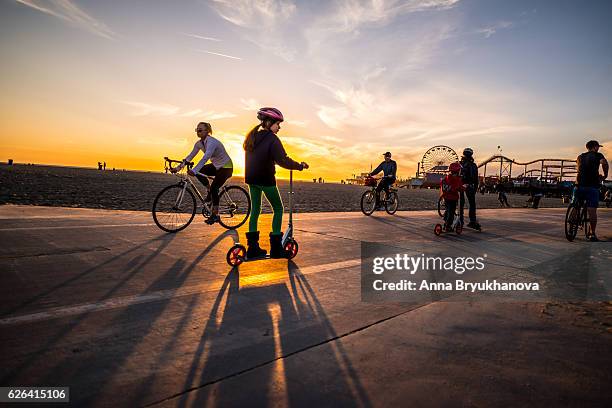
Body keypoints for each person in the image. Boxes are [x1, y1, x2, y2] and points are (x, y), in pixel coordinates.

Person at [244, 107, 309, 259]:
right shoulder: (272, 139)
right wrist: (299, 166)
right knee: (278, 208)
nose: (279, 127)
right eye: (277, 124)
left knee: (255, 210)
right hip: (265, 179)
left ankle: (252, 248)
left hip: (251, 179)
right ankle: (275, 248)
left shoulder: (252, 136)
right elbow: (283, 160)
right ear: (268, 122)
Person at [173, 121, 233, 225]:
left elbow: (206, 157)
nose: (198, 132)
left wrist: (194, 170)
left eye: (200, 130)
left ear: (207, 131)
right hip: (216, 166)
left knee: (215, 188)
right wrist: (177, 168)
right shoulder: (199, 143)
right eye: (197, 130)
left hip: (226, 167)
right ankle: (209, 191)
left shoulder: (212, 142)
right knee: (200, 173)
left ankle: (215, 215)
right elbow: (189, 157)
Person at [574, 140, 608, 241]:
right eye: (598, 147)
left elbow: (579, 169)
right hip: (592, 186)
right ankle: (592, 234)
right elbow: (604, 163)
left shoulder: (580, 157)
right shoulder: (598, 155)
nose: (599, 149)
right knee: (592, 211)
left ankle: (573, 219)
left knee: (576, 204)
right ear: (595, 147)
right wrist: (605, 175)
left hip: (578, 185)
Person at [459, 148, 481, 229]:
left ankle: (460, 221)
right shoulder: (473, 165)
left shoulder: (460, 164)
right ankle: (472, 221)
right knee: (472, 204)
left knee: (460, 204)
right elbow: (475, 179)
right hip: (470, 185)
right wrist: (475, 188)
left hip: (461, 185)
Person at [440, 162, 465, 231]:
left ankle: (445, 222)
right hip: (453, 198)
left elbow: (443, 186)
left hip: (446, 198)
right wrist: (465, 187)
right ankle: (448, 225)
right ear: (457, 171)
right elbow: (459, 188)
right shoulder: (456, 180)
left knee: (447, 210)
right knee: (451, 212)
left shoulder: (446, 178)